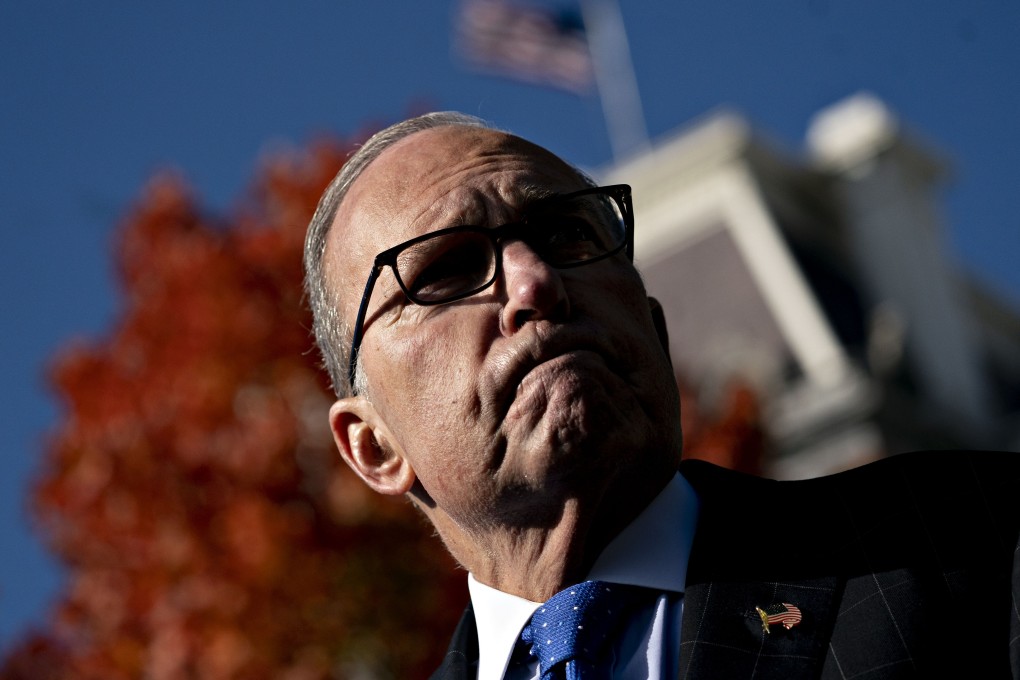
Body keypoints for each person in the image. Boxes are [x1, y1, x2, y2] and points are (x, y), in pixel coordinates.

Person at [303, 112, 1020, 679]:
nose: (535, 284)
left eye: (564, 234)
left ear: (654, 330)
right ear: (373, 447)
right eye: (449, 269)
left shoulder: (978, 544)